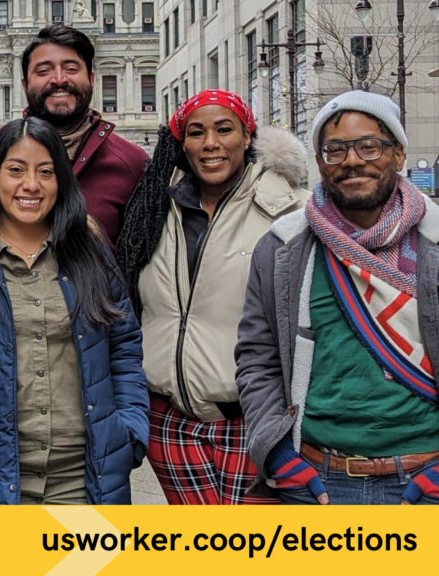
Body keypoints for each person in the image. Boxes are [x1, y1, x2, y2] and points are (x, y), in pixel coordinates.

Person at [236, 91, 439, 505]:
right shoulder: (281, 250)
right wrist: (278, 454)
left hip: (433, 483)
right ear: (319, 163)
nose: (352, 160)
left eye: (369, 146)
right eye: (334, 150)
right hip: (315, 482)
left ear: (397, 155)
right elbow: (257, 358)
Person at [0, 117, 149, 505]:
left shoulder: (88, 247)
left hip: (86, 482)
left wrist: (129, 432)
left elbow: (123, 348)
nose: (31, 185)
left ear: (61, 180)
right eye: (16, 170)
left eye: (46, 172)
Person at [115, 90, 309, 505]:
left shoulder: (289, 211)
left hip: (253, 419)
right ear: (181, 142)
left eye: (224, 130)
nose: (210, 144)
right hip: (169, 423)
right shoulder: (153, 207)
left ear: (247, 136)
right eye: (196, 132)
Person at [0, 25, 147, 244]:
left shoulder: (133, 163)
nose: (58, 79)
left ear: (92, 79)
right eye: (43, 70)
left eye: (71, 69)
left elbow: (137, 260)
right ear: (25, 85)